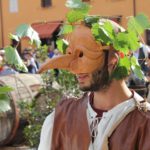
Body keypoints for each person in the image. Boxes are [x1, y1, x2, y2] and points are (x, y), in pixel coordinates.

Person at [38, 1, 150, 150]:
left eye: (83, 55)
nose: (75, 70)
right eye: (71, 54)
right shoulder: (61, 117)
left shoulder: (144, 124)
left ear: (114, 59)